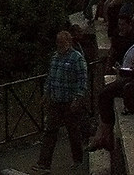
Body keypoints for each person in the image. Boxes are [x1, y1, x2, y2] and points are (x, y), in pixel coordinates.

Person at [38, 27, 92, 173]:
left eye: (62, 43)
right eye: (58, 43)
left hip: (69, 101)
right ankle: (44, 163)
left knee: (73, 131)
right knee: (50, 131)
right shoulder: (55, 57)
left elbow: (82, 80)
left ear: (69, 42)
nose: (59, 46)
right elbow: (51, 77)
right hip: (56, 100)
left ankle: (78, 159)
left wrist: (78, 98)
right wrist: (46, 94)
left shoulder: (77, 58)